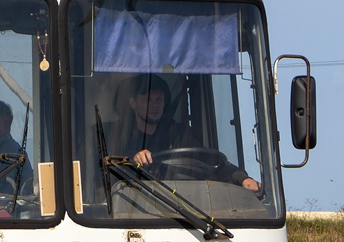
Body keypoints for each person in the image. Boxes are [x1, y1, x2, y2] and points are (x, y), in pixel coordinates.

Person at [107, 74, 260, 191]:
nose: (154, 105)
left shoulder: (178, 134)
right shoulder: (118, 135)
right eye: (148, 100)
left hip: (184, 208)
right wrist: (134, 161)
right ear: (133, 103)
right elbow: (109, 172)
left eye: (158, 100)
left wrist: (241, 178)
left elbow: (212, 160)